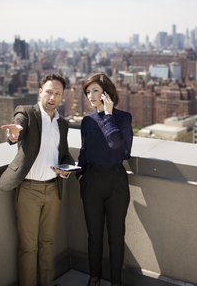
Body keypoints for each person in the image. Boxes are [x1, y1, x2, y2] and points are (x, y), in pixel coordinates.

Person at [0, 73, 74, 286]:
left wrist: (66, 169)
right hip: (29, 191)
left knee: (47, 243)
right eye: (49, 92)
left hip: (53, 190)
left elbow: (64, 154)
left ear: (62, 97)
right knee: (29, 246)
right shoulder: (27, 113)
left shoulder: (63, 124)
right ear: (40, 92)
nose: (53, 97)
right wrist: (14, 134)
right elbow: (17, 127)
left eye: (57, 93)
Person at [76, 73, 133, 286]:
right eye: (88, 92)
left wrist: (108, 115)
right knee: (94, 237)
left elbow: (118, 146)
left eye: (95, 91)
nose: (90, 95)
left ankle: (115, 282)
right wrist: (81, 174)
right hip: (91, 182)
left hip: (116, 182)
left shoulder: (123, 118)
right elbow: (84, 151)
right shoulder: (87, 121)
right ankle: (94, 278)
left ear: (107, 93)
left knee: (116, 238)